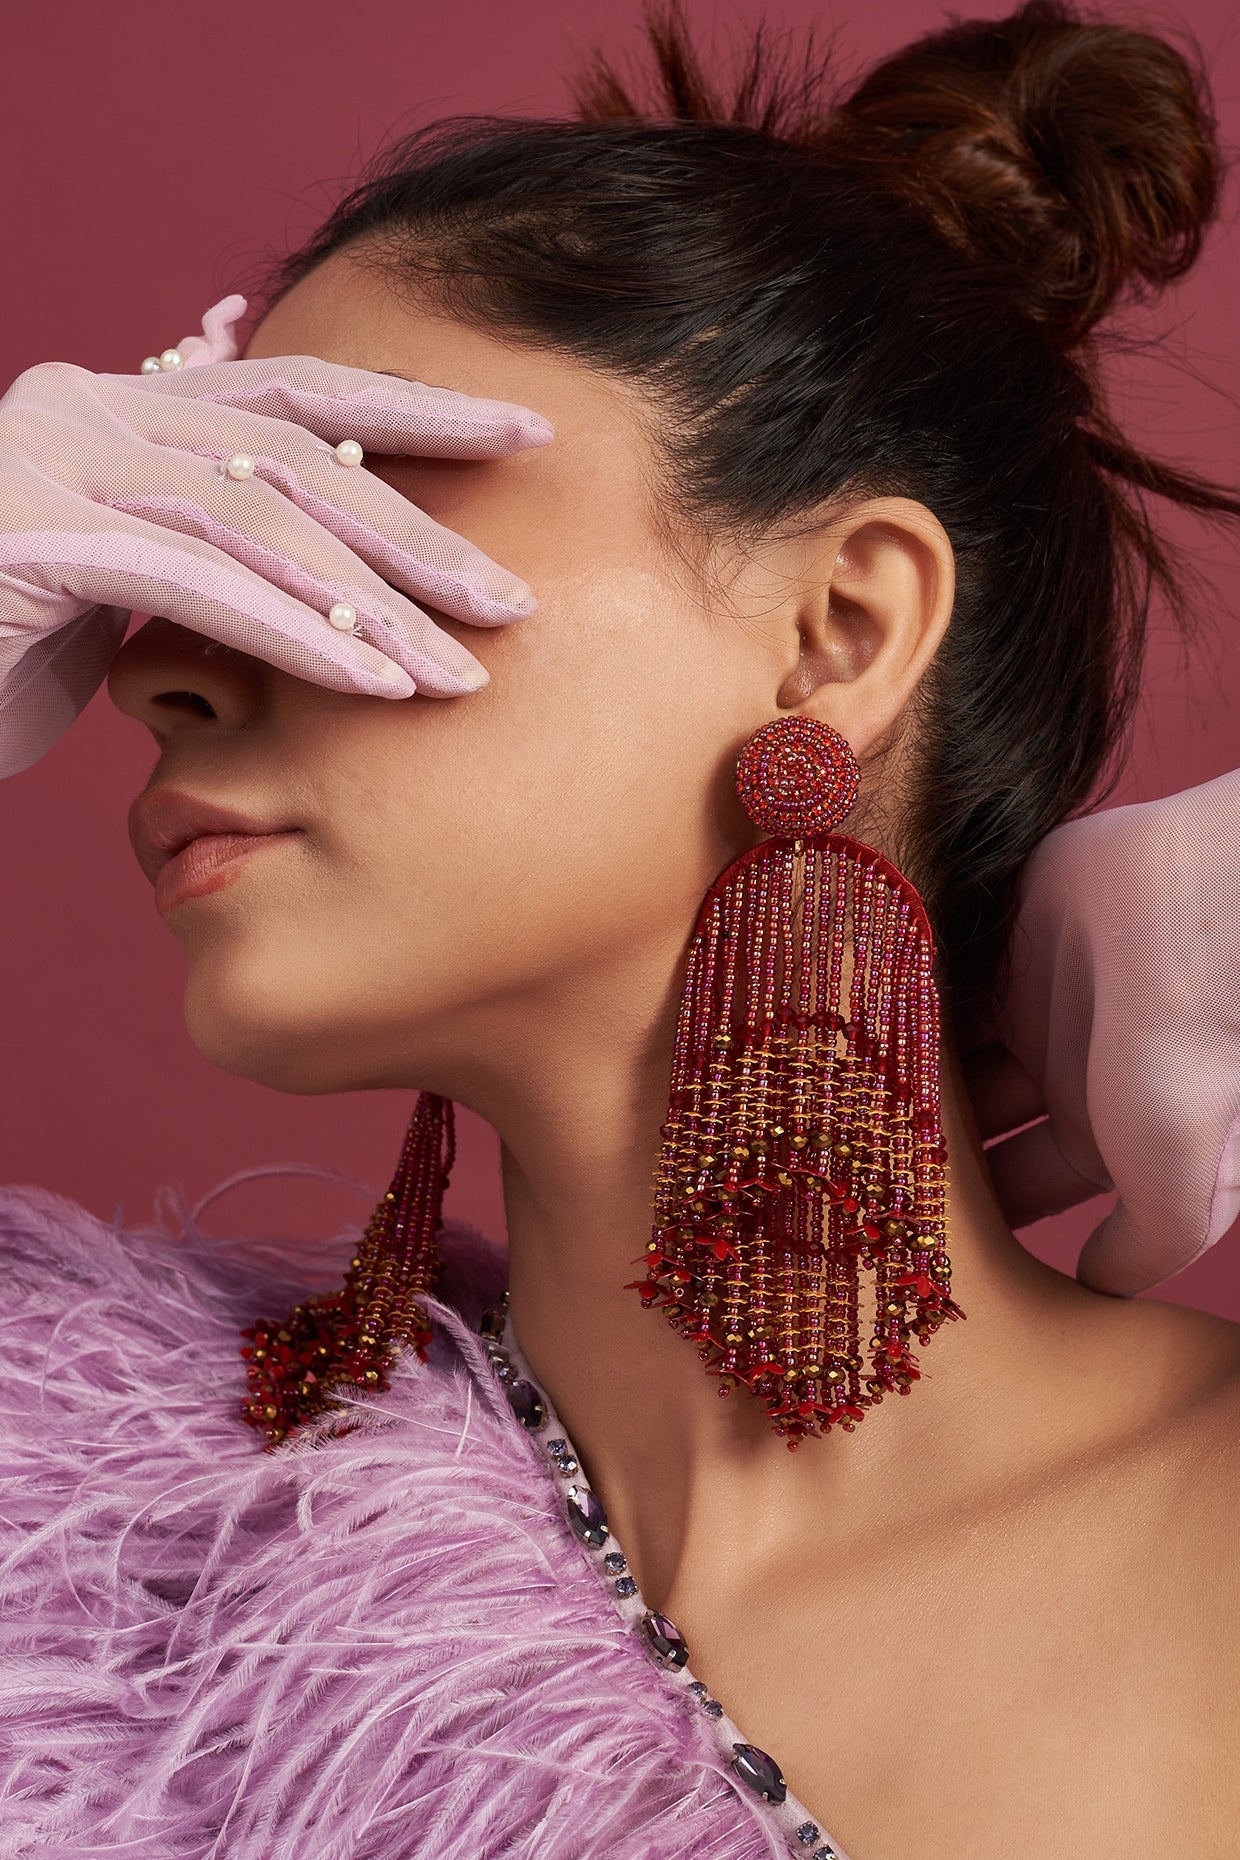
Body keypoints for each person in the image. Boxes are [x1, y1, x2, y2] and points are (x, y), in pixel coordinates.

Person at [1, 4, 1238, 1856]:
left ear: (839, 626)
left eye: (340, 505)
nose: (158, 659)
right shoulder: (78, 1523)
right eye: (173, 538)